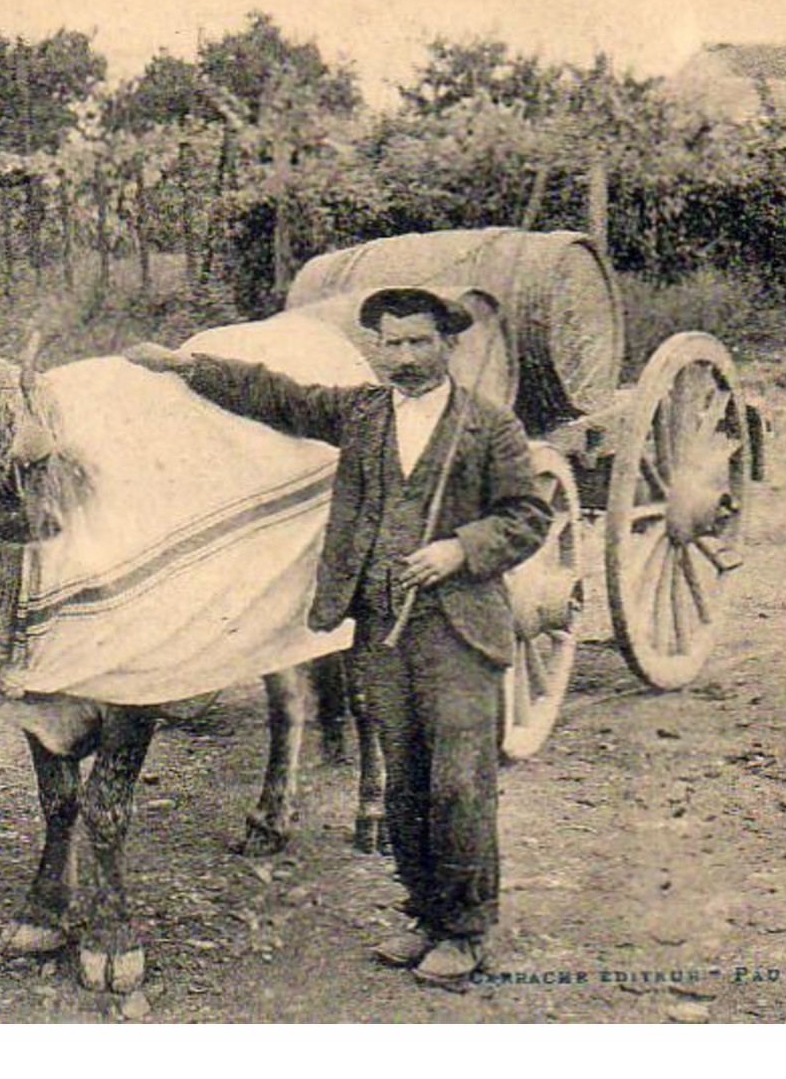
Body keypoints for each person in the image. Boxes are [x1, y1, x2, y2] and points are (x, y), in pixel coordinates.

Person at [123, 286, 549, 985]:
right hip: (380, 629)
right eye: (390, 343)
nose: (403, 357)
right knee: (406, 783)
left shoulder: (488, 426)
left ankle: (467, 932)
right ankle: (424, 917)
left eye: (417, 342)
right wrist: (182, 367)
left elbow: (527, 515)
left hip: (459, 634)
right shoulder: (362, 413)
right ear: (375, 349)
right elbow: (275, 395)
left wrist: (458, 550)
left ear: (447, 344)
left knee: (457, 785)